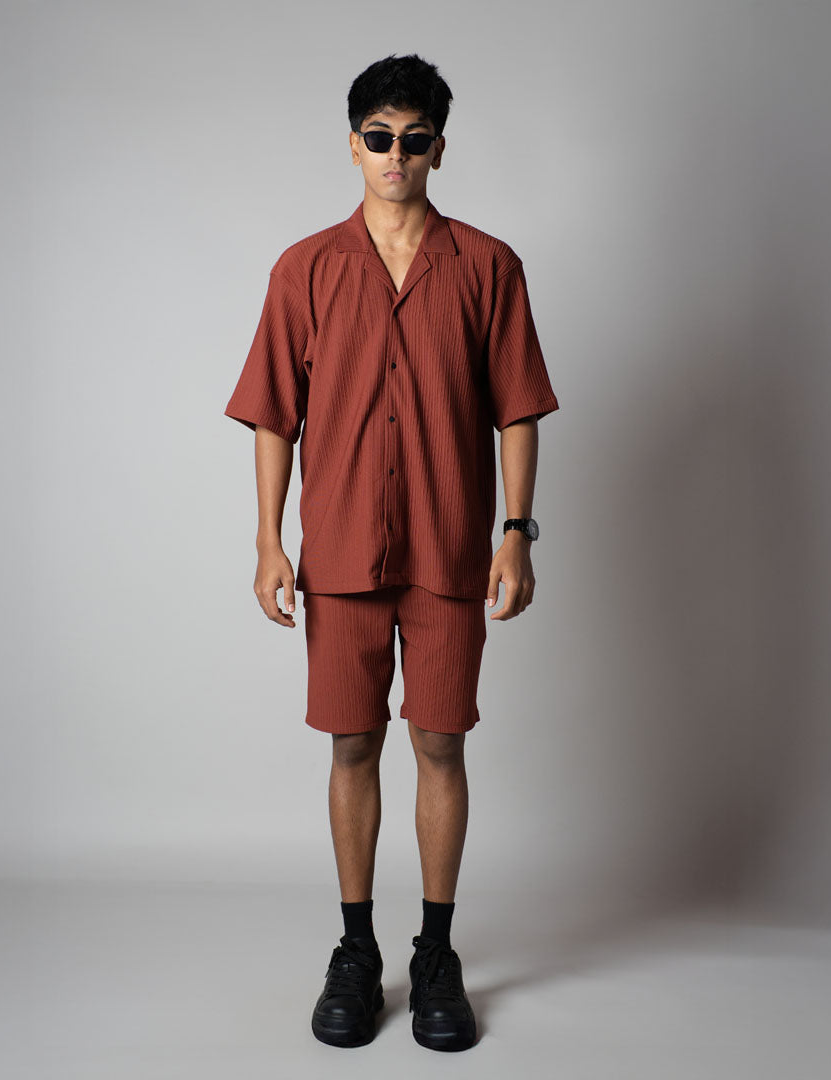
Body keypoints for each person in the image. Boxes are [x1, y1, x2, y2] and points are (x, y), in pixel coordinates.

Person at [224, 52, 559, 1052]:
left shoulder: (489, 267)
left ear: (439, 150)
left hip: (451, 550)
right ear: (353, 145)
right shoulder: (305, 269)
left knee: (441, 744)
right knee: (353, 745)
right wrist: (267, 541)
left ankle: (438, 954)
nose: (395, 155)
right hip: (337, 554)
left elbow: (518, 409)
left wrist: (516, 533)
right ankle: (357, 948)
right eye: (379, 137)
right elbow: (274, 416)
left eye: (414, 140)